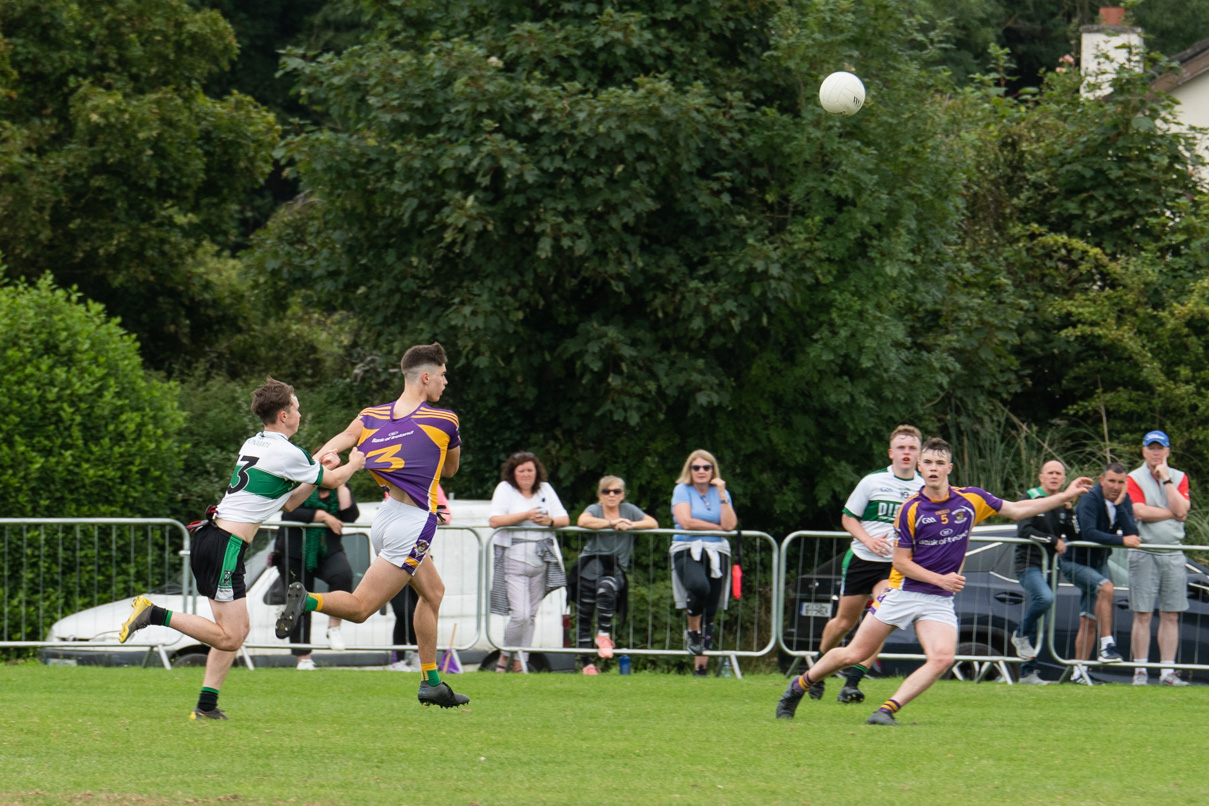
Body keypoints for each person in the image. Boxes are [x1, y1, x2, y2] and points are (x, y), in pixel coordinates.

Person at [776, 437, 1092, 725]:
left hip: (937, 600)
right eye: (927, 463)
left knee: (942, 657)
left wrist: (1067, 494)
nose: (933, 468)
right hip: (903, 591)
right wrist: (940, 579)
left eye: (940, 463)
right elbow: (901, 563)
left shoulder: (971, 500)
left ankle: (886, 711)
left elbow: (1019, 509)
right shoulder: (910, 508)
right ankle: (798, 686)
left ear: (949, 468)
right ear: (920, 467)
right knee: (853, 654)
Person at [118, 377, 365, 720]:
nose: (299, 412)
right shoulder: (286, 452)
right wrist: (356, 462)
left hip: (215, 539)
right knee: (232, 637)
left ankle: (206, 706)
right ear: (283, 415)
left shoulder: (256, 443)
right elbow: (335, 481)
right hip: (224, 545)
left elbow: (290, 503)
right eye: (295, 407)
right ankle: (152, 613)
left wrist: (314, 472)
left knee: (232, 632)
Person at [274, 342, 469, 709]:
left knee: (434, 591)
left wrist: (310, 469)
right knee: (362, 608)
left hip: (385, 519)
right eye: (442, 375)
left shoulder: (370, 416)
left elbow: (335, 447)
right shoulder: (445, 420)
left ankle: (431, 682)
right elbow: (451, 470)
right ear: (425, 377)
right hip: (414, 523)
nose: (445, 382)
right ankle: (308, 599)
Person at [811, 425, 922, 703]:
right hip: (863, 559)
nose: (906, 453)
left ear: (919, 454)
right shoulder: (872, 482)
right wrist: (869, 540)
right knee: (844, 623)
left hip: (895, 566)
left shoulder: (924, 488)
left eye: (911, 448)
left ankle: (853, 681)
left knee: (881, 617)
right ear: (891, 452)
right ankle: (818, 666)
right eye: (901, 447)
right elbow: (849, 517)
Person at [488, 452, 570, 673]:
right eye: (522, 470)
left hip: (541, 557)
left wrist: (549, 520)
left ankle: (520, 663)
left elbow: (565, 518)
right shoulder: (505, 489)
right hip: (513, 556)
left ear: (537, 472)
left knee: (531, 615)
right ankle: (504, 658)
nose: (526, 474)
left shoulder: (545, 489)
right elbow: (495, 520)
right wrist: (526, 515)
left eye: (530, 470)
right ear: (514, 473)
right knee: (520, 614)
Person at [1125, 431, 1192, 687]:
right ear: (1143, 451)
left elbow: (1183, 509)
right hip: (1144, 552)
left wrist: (1166, 481)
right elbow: (1139, 510)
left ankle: (1167, 672)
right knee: (1142, 613)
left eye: (1160, 448)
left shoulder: (1179, 477)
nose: (1155, 452)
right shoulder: (1134, 477)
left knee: (1171, 614)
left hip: (1173, 552)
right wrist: (1173, 513)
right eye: (1151, 448)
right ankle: (1140, 671)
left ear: (1167, 451)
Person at [572, 476, 658, 674]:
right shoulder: (594, 509)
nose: (611, 495)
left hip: (614, 567)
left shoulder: (629, 510)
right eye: (606, 491)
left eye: (616, 491)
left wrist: (630, 525)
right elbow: (582, 520)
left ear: (623, 495)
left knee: (607, 589)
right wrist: (611, 523)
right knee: (584, 614)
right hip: (589, 564)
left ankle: (603, 634)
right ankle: (587, 665)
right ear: (599, 495)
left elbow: (652, 523)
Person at [1067, 462, 1141, 685]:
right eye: (1111, 481)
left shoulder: (1122, 499)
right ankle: (1107, 645)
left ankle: (1079, 672)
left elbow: (1133, 534)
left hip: (1098, 561)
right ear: (1102, 480)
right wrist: (1121, 540)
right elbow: (1089, 533)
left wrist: (1119, 506)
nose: (1116, 487)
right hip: (1074, 561)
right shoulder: (1090, 498)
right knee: (1106, 587)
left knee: (1088, 620)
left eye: (1120, 482)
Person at [275, 482, 359, 669]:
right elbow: (290, 511)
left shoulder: (340, 490)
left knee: (342, 575)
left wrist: (343, 483)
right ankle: (303, 657)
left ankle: (334, 627)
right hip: (294, 552)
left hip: (328, 550)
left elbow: (351, 516)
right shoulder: (301, 485)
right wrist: (322, 516)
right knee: (298, 599)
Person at [670, 449, 737, 677]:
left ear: (713, 470)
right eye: (696, 467)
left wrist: (721, 493)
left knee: (710, 609)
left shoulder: (722, 493)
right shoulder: (682, 490)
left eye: (706, 467)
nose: (701, 471)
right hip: (688, 548)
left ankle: (701, 668)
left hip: (717, 551)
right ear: (689, 470)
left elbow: (730, 524)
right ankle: (692, 630)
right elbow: (686, 522)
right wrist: (717, 528)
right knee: (699, 587)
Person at [1011, 460, 1076, 685]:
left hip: (1051, 567)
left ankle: (1028, 673)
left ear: (1064, 479)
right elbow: (1024, 530)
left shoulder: (1062, 502)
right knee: (1045, 598)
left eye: (1059, 473)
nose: (1055, 477)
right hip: (1028, 563)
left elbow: (1075, 536)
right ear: (1041, 477)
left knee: (1043, 620)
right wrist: (1052, 539)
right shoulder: (1030, 496)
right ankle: (1019, 635)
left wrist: (1070, 512)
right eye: (1050, 473)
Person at [388, 485, 450, 673]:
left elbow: (445, 516)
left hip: (422, 557)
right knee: (402, 610)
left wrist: (425, 518)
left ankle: (418, 657)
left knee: (420, 606)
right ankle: (397, 658)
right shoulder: (395, 479)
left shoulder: (434, 484)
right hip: (395, 556)